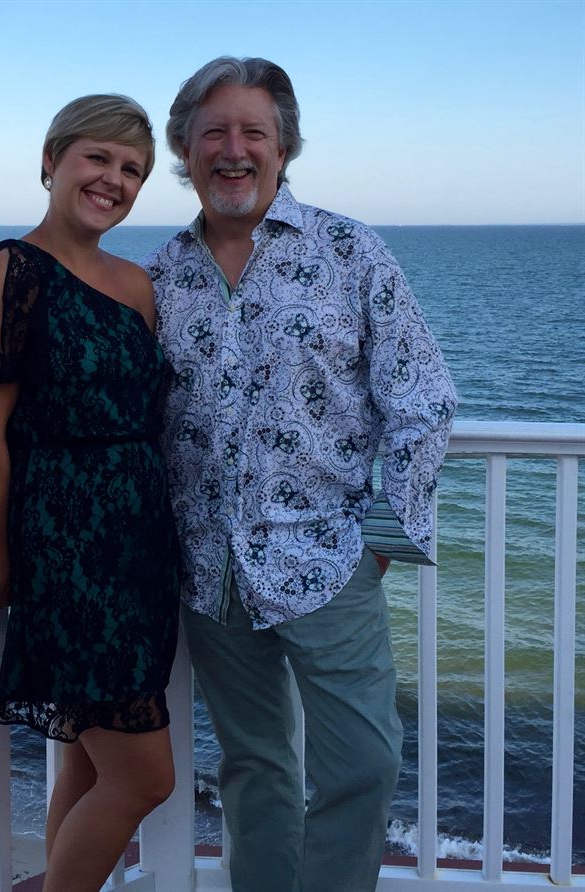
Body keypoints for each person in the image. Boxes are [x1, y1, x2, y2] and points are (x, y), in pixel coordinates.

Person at [145, 57, 457, 892]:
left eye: (254, 132)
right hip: (209, 572)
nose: (233, 150)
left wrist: (382, 540)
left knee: (363, 763)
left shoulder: (349, 250)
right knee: (254, 767)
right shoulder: (161, 275)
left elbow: (424, 400)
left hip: (331, 560)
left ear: (283, 148)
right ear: (185, 149)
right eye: (214, 132)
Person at [0, 94, 179, 892]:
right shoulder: (12, 269)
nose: (114, 180)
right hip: (68, 551)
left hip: (142, 552)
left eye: (133, 170)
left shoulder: (138, 285)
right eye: (98, 158)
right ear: (51, 161)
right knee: (146, 777)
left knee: (89, 762)